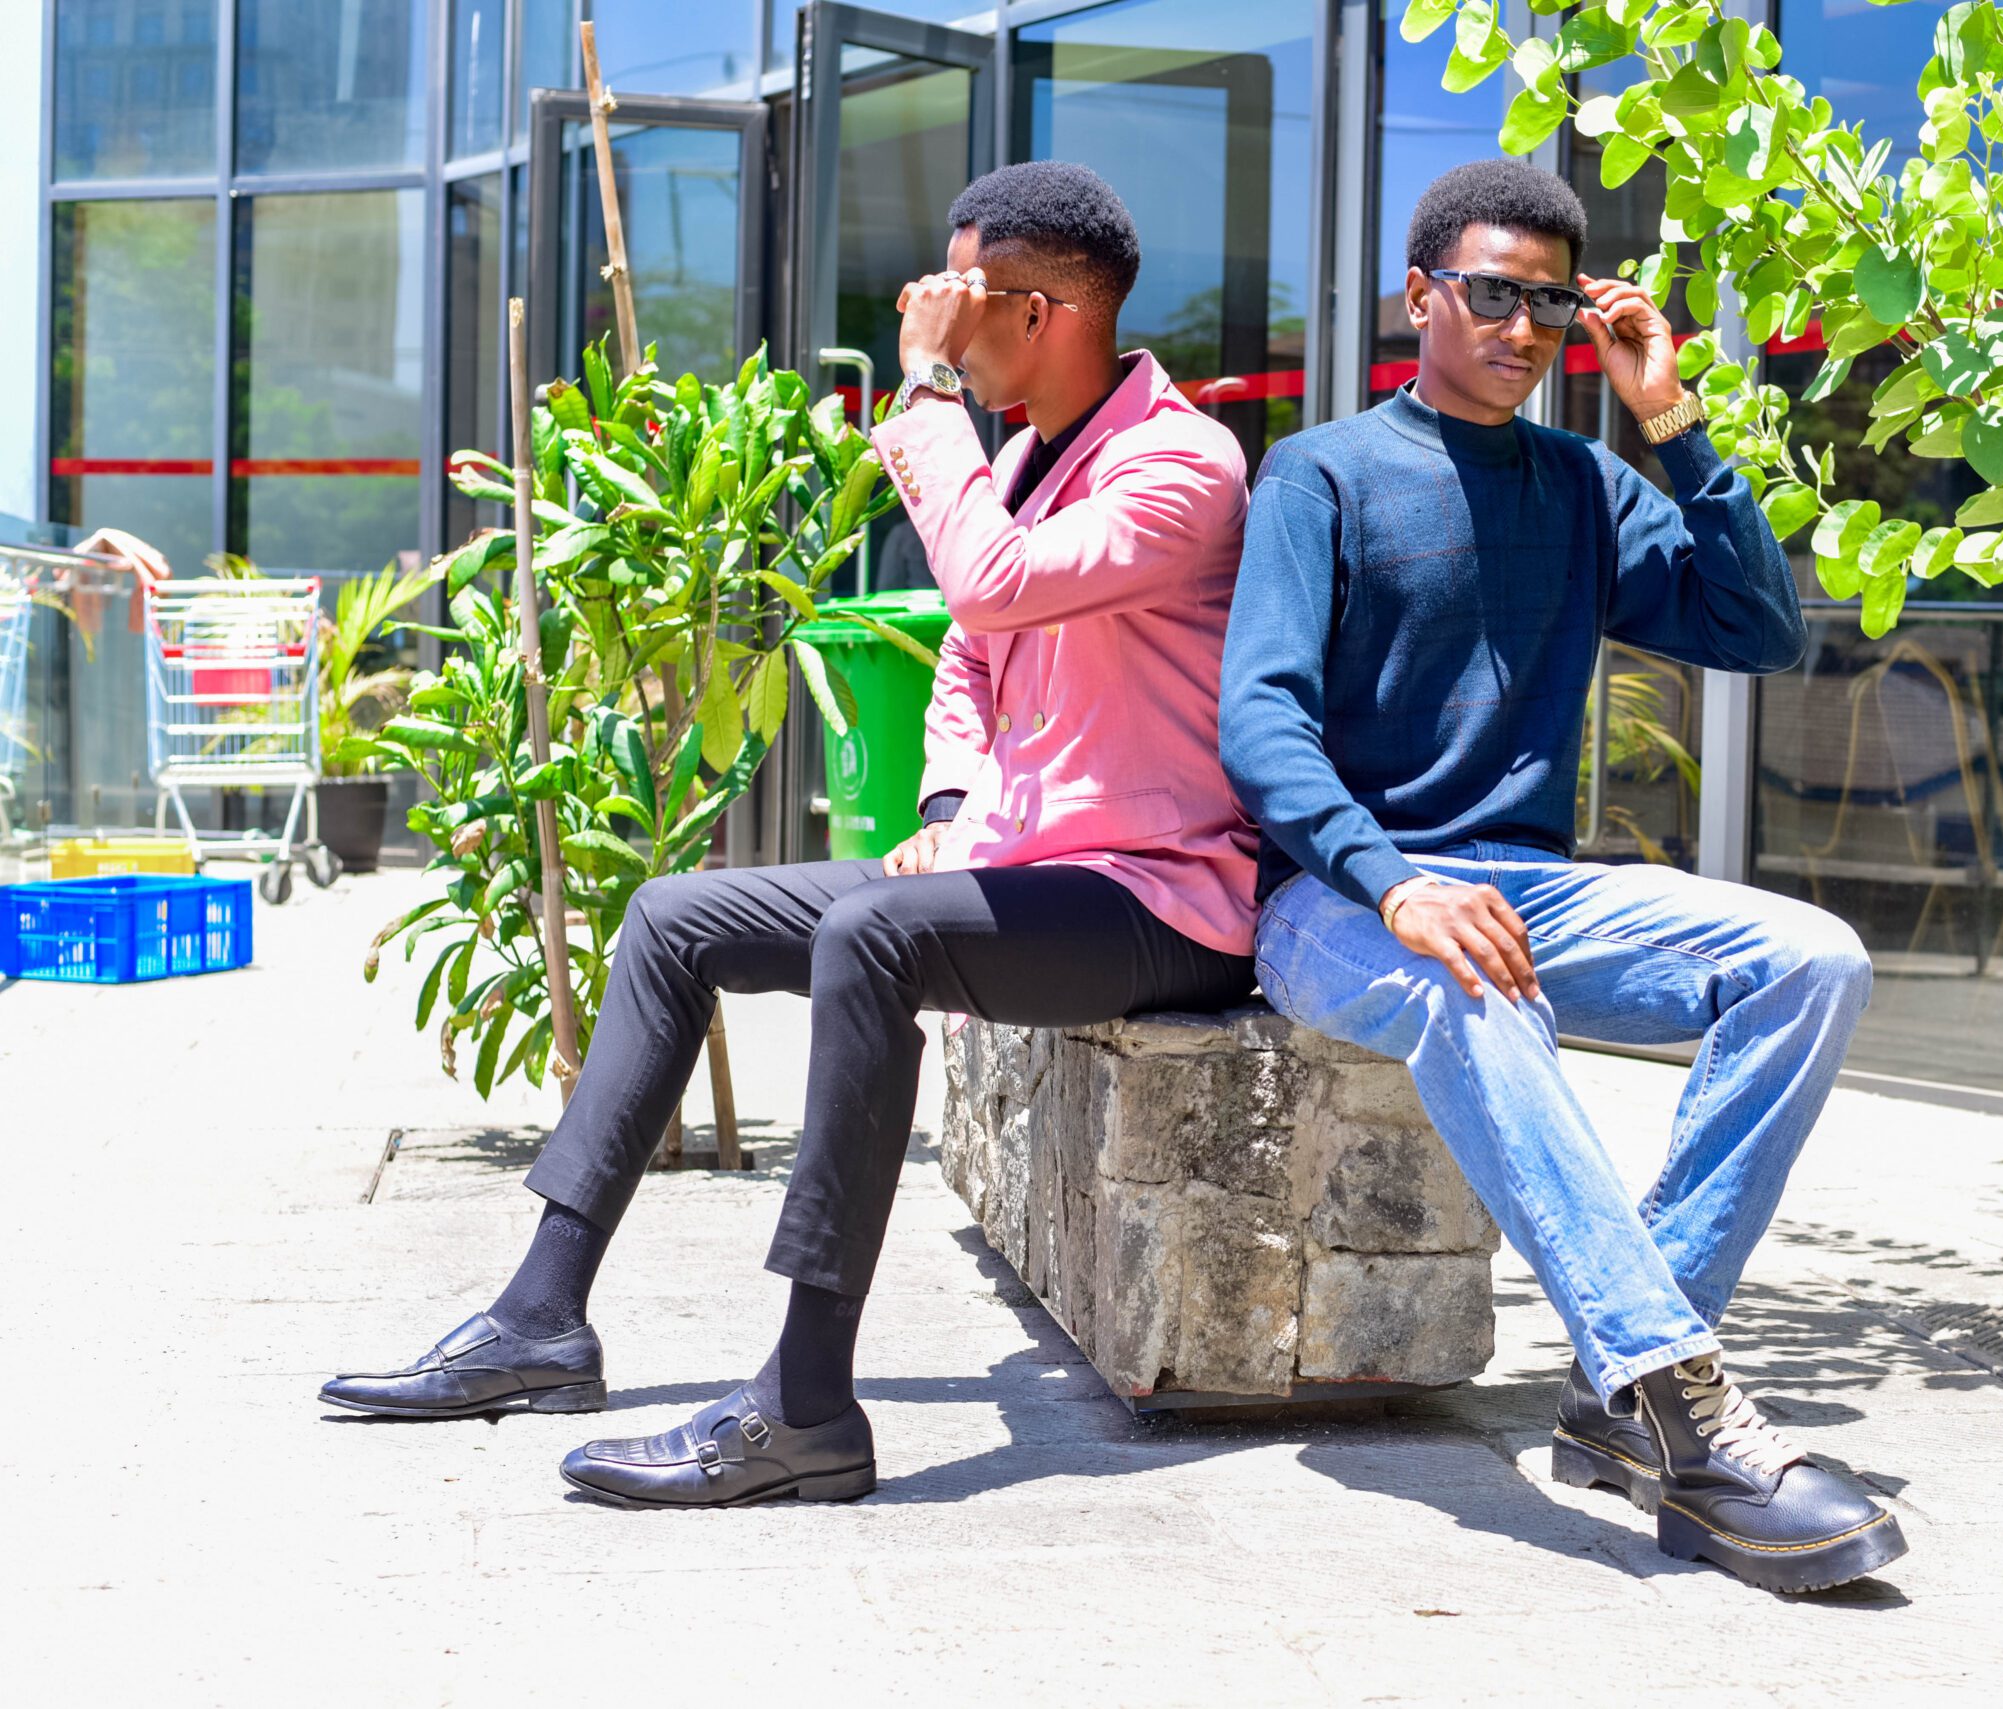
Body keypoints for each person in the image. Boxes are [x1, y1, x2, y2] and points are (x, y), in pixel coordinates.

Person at [322, 161, 1261, 1508]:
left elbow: (988, 585)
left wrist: (923, 388)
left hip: (1156, 898)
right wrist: (948, 807)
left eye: (954, 295)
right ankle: (540, 1318)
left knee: (873, 937)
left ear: (1036, 310)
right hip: (1019, 861)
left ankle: (806, 1406)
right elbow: (969, 663)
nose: (931, 318)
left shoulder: (1179, 465)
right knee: (674, 918)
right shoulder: (1021, 458)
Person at [1220, 159, 1905, 1592]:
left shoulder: (1584, 483)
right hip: (1336, 898)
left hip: (1528, 886)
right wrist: (1393, 882)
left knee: (1810, 961)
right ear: (1421, 295)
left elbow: (1758, 628)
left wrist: (1671, 417)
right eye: (1491, 295)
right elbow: (1261, 723)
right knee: (1465, 986)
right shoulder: (1320, 473)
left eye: (1548, 305)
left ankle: (1620, 1389)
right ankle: (1685, 1409)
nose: (1521, 328)